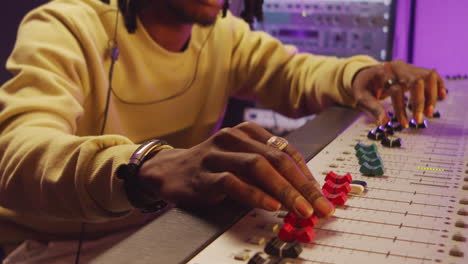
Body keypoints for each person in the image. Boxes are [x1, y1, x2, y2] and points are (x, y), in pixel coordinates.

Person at [0, 0, 446, 262]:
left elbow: (296, 72)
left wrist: (360, 75)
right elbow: (16, 151)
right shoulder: (64, 24)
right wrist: (144, 164)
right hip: (57, 247)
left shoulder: (226, 34)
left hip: (175, 229)